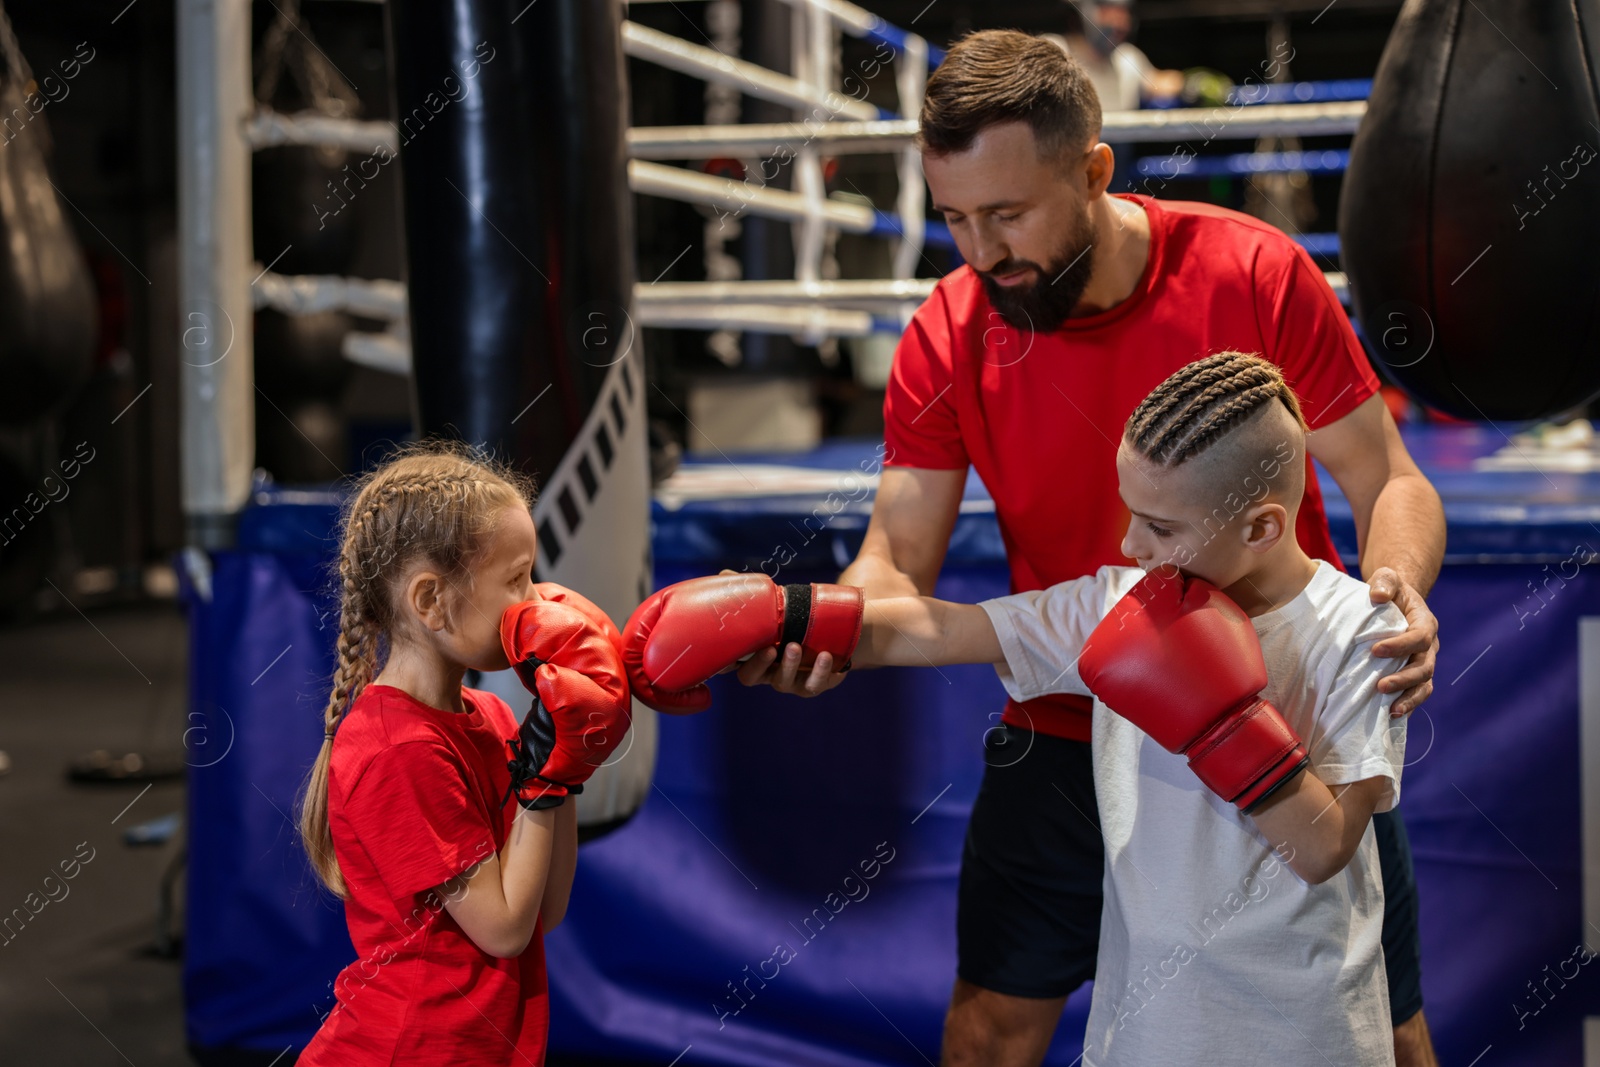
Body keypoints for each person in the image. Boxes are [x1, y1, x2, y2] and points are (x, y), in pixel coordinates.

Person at [736, 29, 1445, 1067]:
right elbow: (895, 557)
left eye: (1009, 214)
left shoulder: (1251, 271)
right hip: (1071, 716)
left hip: (1278, 708)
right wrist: (814, 626)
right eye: (955, 218)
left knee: (1386, 1019)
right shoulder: (949, 327)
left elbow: (1390, 479)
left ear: (1094, 169)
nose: (981, 252)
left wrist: (1391, 596)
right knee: (987, 1030)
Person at [624, 352, 1408, 1064]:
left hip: (1311, 1037)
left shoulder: (1358, 630)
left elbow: (1323, 845)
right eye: (1130, 510)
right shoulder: (1121, 603)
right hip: (1148, 1033)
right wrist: (782, 614)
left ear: (1263, 525)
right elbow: (942, 627)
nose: (1131, 543)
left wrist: (1222, 721)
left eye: (1161, 526)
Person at [295, 440, 631, 1066]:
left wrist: (566, 761)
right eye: (515, 580)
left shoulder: (494, 716)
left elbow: (543, 910)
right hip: (411, 1049)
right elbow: (502, 931)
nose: (535, 601)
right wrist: (541, 778)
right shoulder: (395, 750)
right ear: (430, 602)